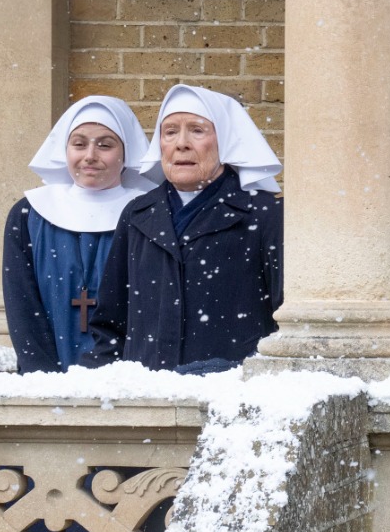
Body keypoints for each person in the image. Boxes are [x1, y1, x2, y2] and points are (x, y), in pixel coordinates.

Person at [81, 84, 284, 372]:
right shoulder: (137, 215)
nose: (181, 144)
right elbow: (111, 322)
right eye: (170, 131)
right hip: (150, 398)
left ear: (224, 141)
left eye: (197, 130)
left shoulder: (264, 215)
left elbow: (285, 320)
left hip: (229, 397)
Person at [3, 96, 155, 373]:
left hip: (128, 377)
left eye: (105, 145)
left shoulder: (148, 215)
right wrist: (42, 375)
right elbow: (21, 305)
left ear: (126, 152)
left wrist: (123, 374)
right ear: (65, 150)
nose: (90, 156)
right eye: (79, 143)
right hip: (46, 376)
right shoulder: (29, 214)